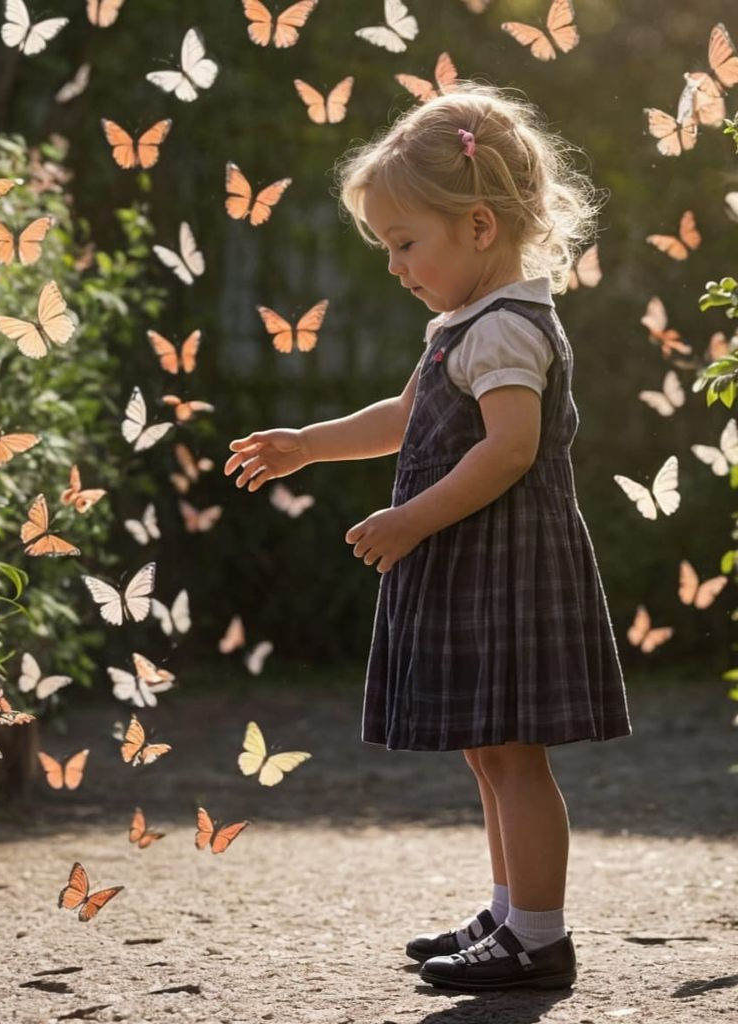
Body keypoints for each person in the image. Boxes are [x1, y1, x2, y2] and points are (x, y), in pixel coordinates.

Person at [222, 83, 632, 992]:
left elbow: (511, 450)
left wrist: (409, 520)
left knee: (514, 754)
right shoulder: (465, 324)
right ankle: (509, 910)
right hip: (480, 563)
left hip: (509, 564)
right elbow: (408, 418)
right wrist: (309, 446)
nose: (396, 266)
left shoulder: (509, 332)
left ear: (480, 227)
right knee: (488, 747)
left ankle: (539, 937)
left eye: (407, 244)